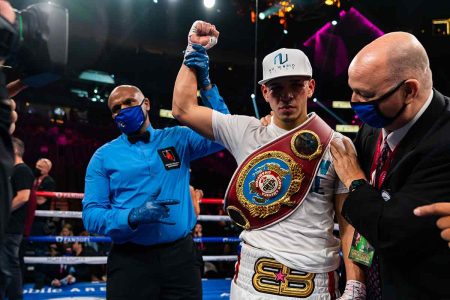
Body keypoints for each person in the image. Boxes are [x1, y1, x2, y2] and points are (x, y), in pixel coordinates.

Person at [173, 21, 365, 299]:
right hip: (250, 281)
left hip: (316, 284)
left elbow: (351, 223)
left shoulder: (337, 144)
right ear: (264, 92)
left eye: (296, 85)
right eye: (276, 87)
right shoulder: (246, 131)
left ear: (310, 87)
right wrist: (193, 52)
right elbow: (182, 109)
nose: (286, 95)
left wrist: (355, 285)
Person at [329, 32, 450, 299]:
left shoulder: (444, 141)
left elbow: (391, 233)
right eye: (353, 89)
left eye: (365, 93)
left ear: (409, 90)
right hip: (370, 285)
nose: (355, 100)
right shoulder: (375, 124)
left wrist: (356, 181)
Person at [82, 83, 230, 299]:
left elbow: (224, 129)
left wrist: (206, 87)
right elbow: (91, 216)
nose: (122, 109)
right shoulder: (102, 157)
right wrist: (131, 217)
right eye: (116, 108)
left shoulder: (178, 138)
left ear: (146, 104)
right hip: (130, 261)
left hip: (181, 258)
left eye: (129, 102)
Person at [0, 137, 34, 300]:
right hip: (7, 225)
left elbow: (23, 197)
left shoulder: (22, 170)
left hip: (13, 227)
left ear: (14, 150)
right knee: (6, 262)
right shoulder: (11, 170)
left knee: (10, 263)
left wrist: (3, 211)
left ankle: (15, 297)